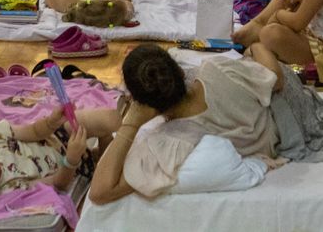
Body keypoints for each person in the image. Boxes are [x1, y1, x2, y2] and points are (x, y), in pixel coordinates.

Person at [88, 42, 284, 204]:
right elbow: (277, 80)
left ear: (142, 104)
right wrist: (258, 46)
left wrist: (131, 123)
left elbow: (99, 193)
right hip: (279, 130)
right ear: (180, 71)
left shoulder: (173, 141)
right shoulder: (217, 69)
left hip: (268, 148)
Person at [0, 105, 121, 206]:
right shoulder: (9, 190)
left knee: (111, 118)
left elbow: (33, 131)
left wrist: (51, 121)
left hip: (57, 135)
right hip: (72, 165)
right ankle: (100, 153)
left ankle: (105, 145)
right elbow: (58, 183)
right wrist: (72, 159)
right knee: (111, 166)